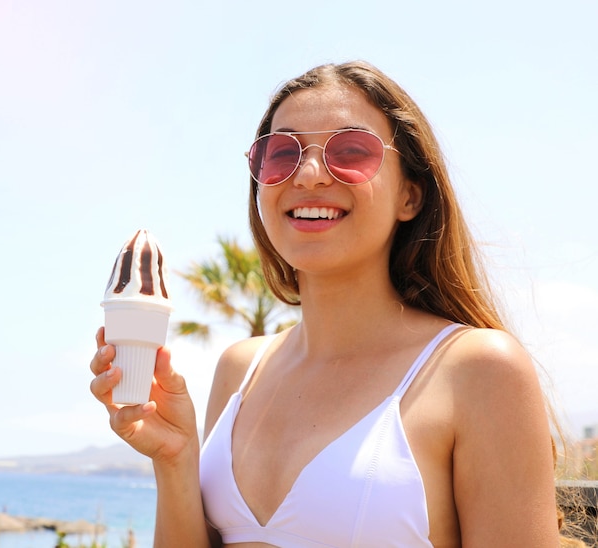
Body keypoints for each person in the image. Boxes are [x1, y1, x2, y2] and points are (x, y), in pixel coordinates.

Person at [90, 61, 563, 546]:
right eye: (282, 155)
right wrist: (175, 459)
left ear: (411, 196)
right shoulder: (239, 369)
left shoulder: (478, 369)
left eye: (351, 150)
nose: (310, 175)